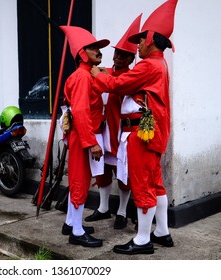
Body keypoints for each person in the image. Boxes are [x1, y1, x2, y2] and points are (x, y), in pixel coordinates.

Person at [90, 0, 178, 255]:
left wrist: (99, 76)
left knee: (143, 186)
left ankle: (142, 240)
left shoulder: (149, 65)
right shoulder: (155, 65)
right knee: (156, 184)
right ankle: (161, 232)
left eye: (140, 40)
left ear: (151, 39)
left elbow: (119, 84)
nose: (137, 44)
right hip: (146, 133)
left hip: (141, 135)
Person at [85, 14, 142, 230]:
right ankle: (103, 208)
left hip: (120, 132)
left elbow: (116, 86)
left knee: (123, 173)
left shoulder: (131, 77)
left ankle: (121, 211)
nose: (118, 57)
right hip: (102, 130)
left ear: (130, 59)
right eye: (117, 53)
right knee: (101, 170)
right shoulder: (103, 72)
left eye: (124, 55)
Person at [59, 25, 110, 247]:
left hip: (82, 135)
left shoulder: (86, 75)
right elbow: (81, 111)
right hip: (83, 136)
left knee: (78, 181)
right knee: (80, 181)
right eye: (93, 48)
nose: (99, 51)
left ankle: (71, 223)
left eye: (99, 47)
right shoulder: (83, 77)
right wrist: (92, 143)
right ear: (82, 53)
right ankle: (77, 233)